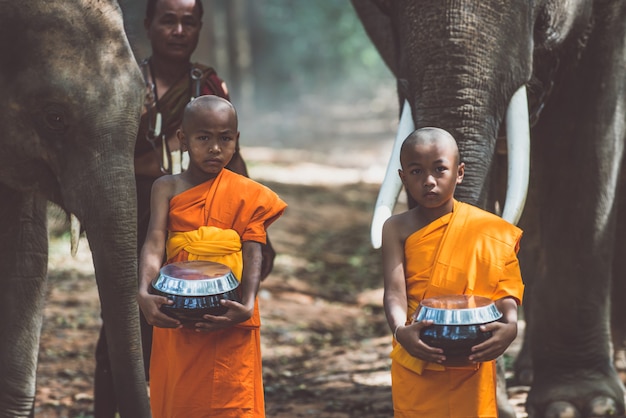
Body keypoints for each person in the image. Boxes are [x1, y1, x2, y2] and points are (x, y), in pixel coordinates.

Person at [94, 0, 276, 414]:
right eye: (168, 20)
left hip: (206, 226)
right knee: (121, 332)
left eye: (188, 22)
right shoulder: (124, 81)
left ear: (198, 28)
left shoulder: (208, 86)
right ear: (148, 25)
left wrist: (262, 233)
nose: (178, 31)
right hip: (135, 216)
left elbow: (237, 164)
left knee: (200, 327)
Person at [137, 95, 286, 417]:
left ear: (236, 141)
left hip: (228, 309)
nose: (215, 147)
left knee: (232, 395)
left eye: (225, 138)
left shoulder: (247, 192)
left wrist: (247, 303)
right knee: (182, 394)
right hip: (176, 306)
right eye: (203, 137)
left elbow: (253, 249)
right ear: (183, 140)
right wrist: (144, 292)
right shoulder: (167, 187)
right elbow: (154, 242)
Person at [381, 127, 524, 417]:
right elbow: (394, 292)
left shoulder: (489, 230)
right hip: (418, 350)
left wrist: (510, 326)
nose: (429, 181)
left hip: (472, 350)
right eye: (417, 172)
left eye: (439, 170)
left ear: (459, 172)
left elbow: (505, 287)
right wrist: (401, 332)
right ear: (402, 177)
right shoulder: (396, 227)